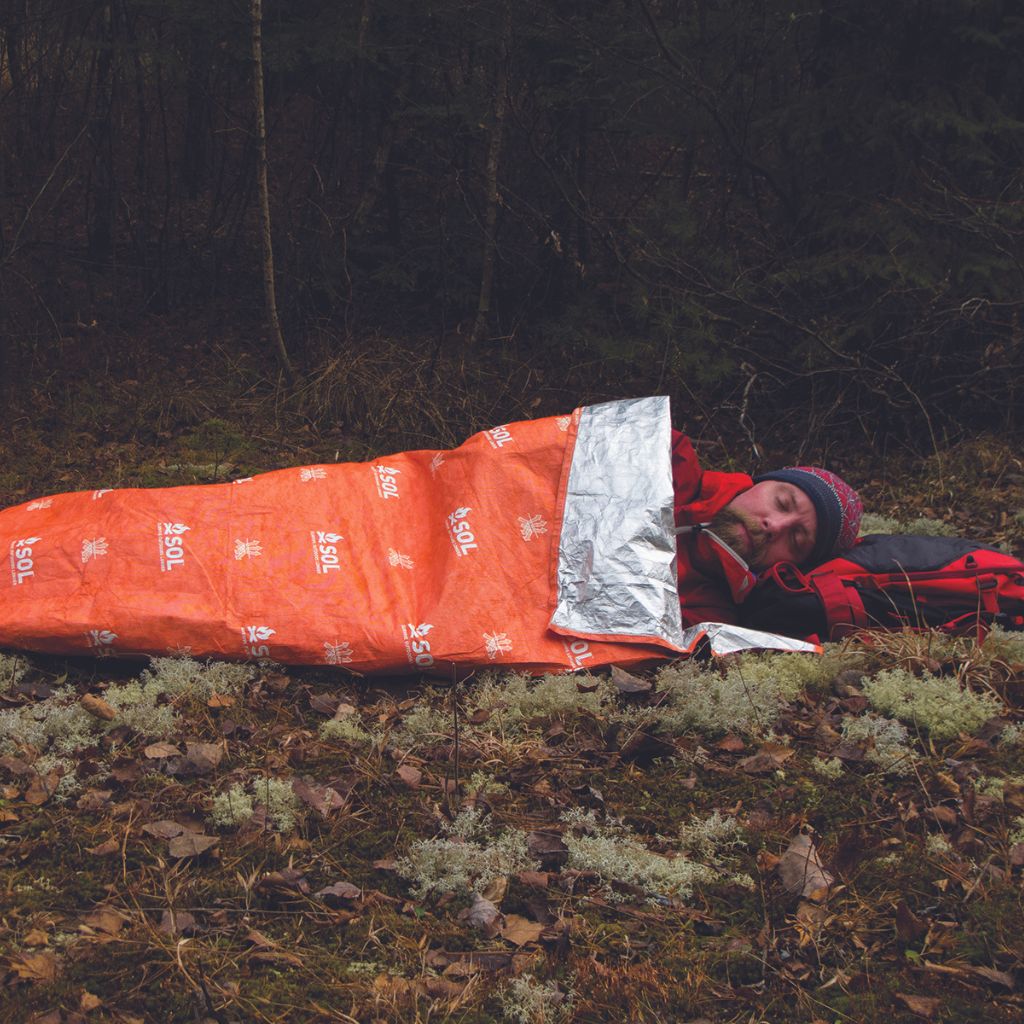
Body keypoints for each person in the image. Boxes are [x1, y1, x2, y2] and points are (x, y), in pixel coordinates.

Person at [670, 431, 862, 626]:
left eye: (795, 540)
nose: (775, 526)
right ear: (759, 483)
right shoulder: (671, 457)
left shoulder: (708, 620)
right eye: (782, 503)